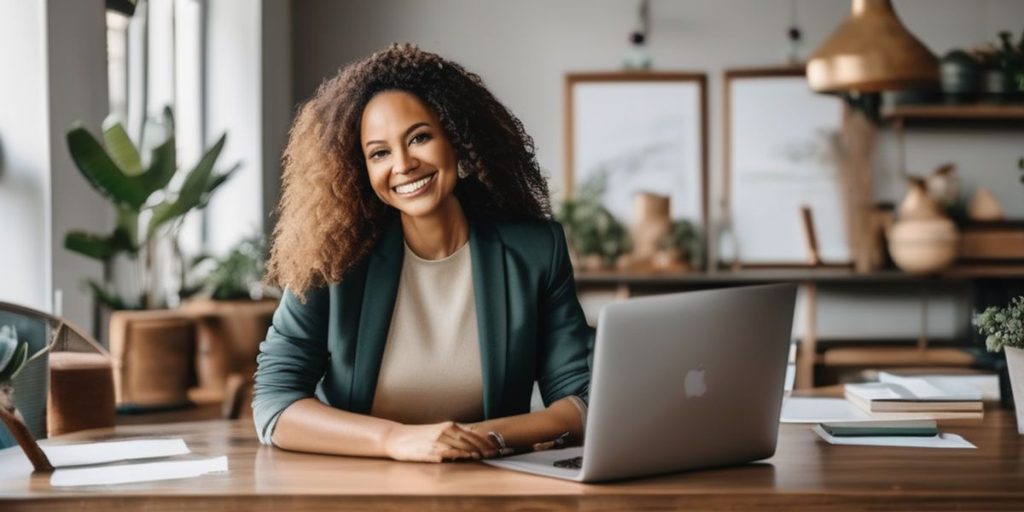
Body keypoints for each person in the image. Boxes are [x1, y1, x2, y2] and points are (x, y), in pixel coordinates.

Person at [253, 43, 592, 463]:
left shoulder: (536, 251)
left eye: (420, 137)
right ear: (360, 170)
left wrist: (478, 437)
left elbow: (583, 399)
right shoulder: (333, 258)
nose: (403, 163)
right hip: (354, 484)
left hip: (486, 485)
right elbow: (275, 404)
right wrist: (395, 440)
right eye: (379, 153)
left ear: (457, 141)